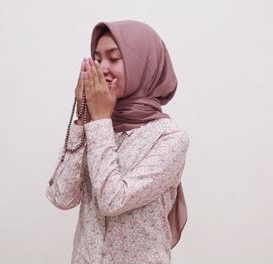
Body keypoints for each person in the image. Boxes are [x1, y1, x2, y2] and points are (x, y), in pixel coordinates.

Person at [46, 20, 190, 264]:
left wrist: (100, 119)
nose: (102, 68)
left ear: (142, 65)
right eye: (97, 58)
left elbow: (113, 200)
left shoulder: (170, 137)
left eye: (114, 58)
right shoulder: (96, 126)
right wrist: (83, 117)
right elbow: (61, 196)